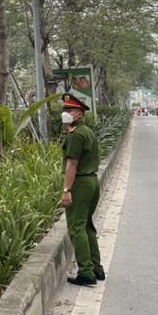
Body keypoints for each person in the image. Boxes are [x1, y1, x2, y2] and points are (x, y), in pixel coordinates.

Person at [60, 94, 104, 286]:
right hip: (92, 181)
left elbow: (72, 164)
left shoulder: (76, 134)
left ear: (79, 114)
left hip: (80, 183)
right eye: (65, 110)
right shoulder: (87, 131)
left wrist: (66, 189)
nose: (66, 113)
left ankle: (86, 272)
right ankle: (96, 268)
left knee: (77, 228)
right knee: (87, 226)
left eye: (69, 110)